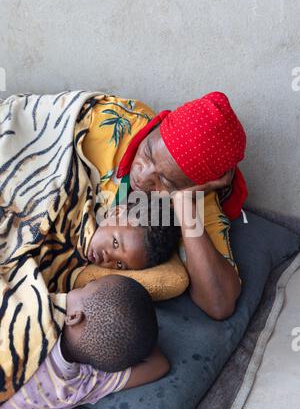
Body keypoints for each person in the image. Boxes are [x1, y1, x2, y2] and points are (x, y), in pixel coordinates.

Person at [81, 91, 247, 319]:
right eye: (148, 153)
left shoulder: (201, 202)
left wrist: (183, 203)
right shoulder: (114, 123)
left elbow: (218, 304)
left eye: (165, 181)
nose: (142, 174)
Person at [0, 275, 169, 409]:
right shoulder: (80, 386)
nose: (80, 286)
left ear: (73, 317)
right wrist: (129, 340)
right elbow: (160, 365)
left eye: (87, 286)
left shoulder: (35, 314)